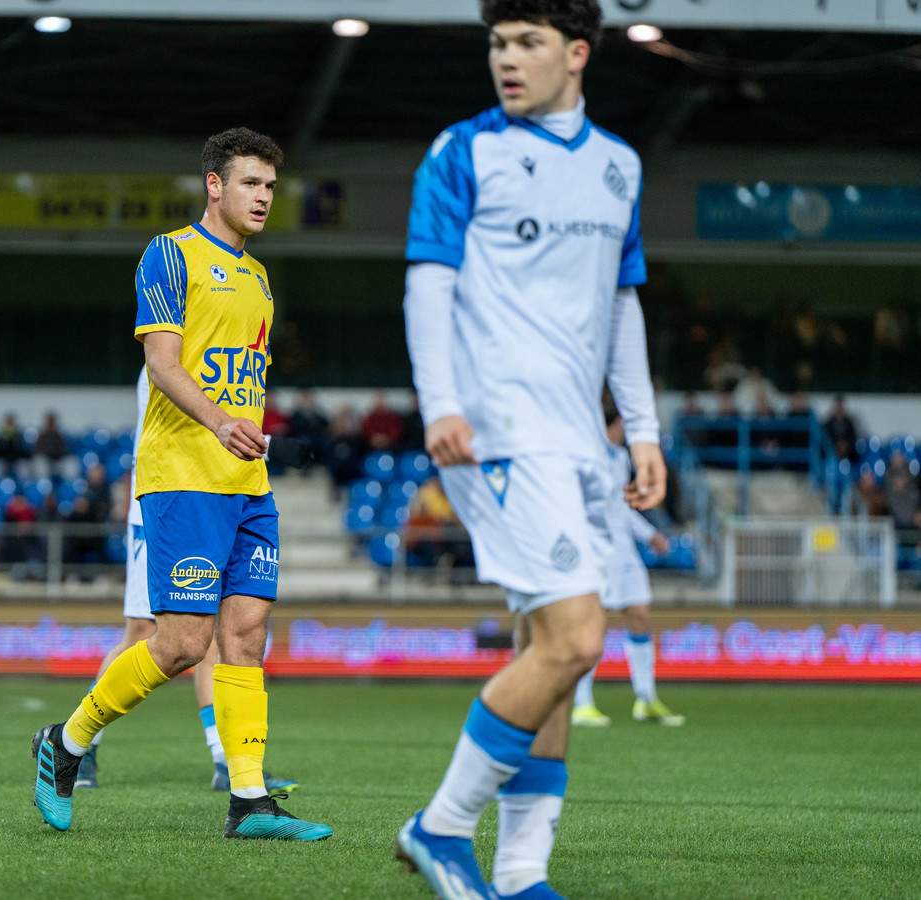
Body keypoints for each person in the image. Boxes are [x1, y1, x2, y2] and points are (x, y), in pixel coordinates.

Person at [396, 2, 666, 897]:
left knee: (543, 645)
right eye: (496, 45)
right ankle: (439, 829)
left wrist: (645, 432)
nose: (506, 61)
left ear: (577, 54)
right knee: (577, 637)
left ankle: (518, 873)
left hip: (579, 441)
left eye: (527, 44)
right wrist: (441, 404)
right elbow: (427, 286)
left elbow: (622, 307)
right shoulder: (462, 150)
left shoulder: (619, 167)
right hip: (500, 433)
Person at [30, 127, 330, 841]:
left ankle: (250, 801)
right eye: (250, 183)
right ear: (215, 185)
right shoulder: (170, 253)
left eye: (269, 185)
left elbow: (242, 374)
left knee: (247, 636)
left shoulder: (256, 277)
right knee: (181, 644)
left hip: (246, 484)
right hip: (183, 479)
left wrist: (246, 433)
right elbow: (163, 364)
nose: (263, 197)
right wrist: (223, 421)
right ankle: (65, 744)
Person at [74, 368, 299, 796]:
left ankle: (225, 761)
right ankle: (81, 745)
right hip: (166, 505)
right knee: (144, 631)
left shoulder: (205, 347)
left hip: (211, 499)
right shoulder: (169, 355)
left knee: (215, 635)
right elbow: (189, 427)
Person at [572, 413, 684, 727]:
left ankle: (646, 699)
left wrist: (649, 535)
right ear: (615, 421)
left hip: (625, 552)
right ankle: (581, 702)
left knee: (640, 616)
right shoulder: (586, 455)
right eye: (624, 424)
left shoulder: (621, 457)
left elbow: (621, 507)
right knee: (595, 623)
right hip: (597, 552)